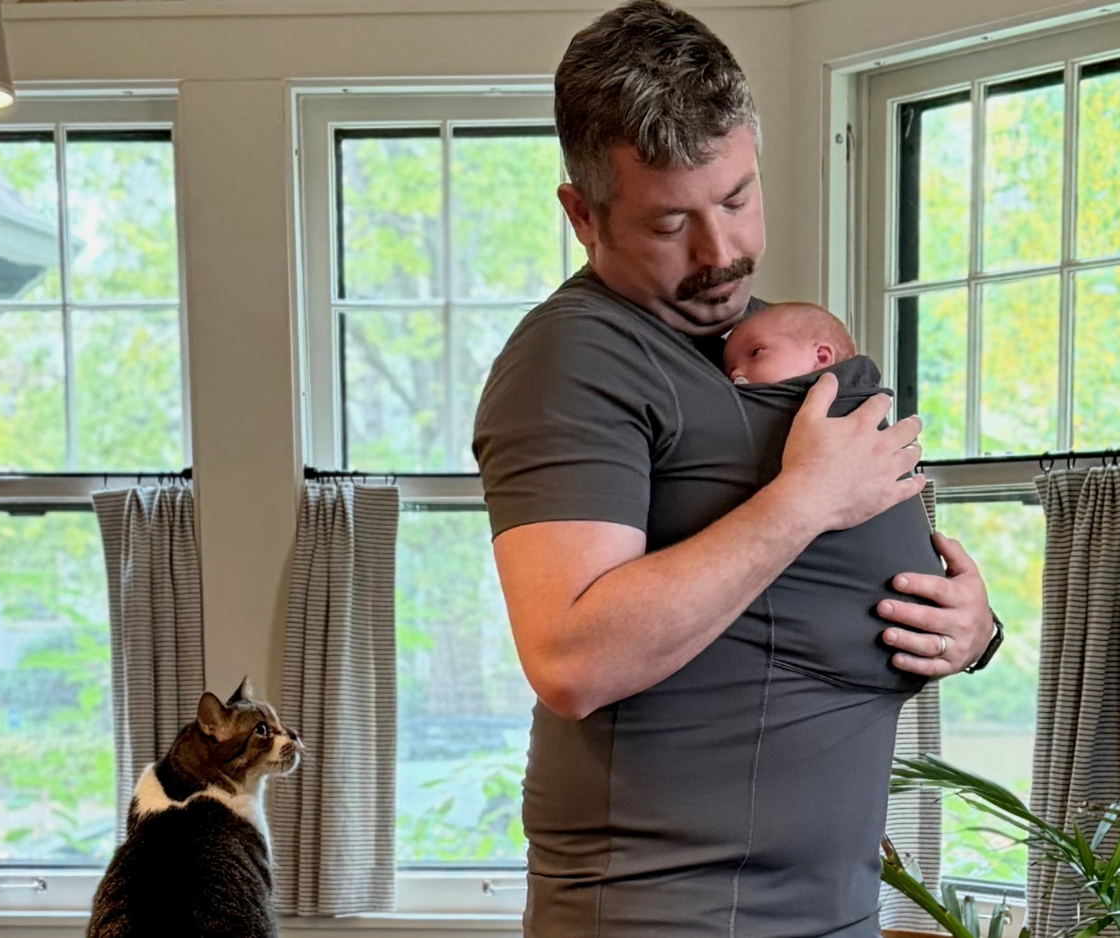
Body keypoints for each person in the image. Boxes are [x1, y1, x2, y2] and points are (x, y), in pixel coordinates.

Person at [471, 2, 1003, 934]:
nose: (721, 255)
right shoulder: (573, 359)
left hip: (827, 908)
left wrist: (971, 629)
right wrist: (804, 501)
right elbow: (570, 658)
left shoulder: (758, 344)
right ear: (581, 214)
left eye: (736, 199)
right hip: (663, 914)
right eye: (672, 221)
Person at [721, 301, 855, 385]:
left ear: (821, 357)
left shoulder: (854, 405)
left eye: (756, 352)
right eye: (730, 370)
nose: (735, 374)